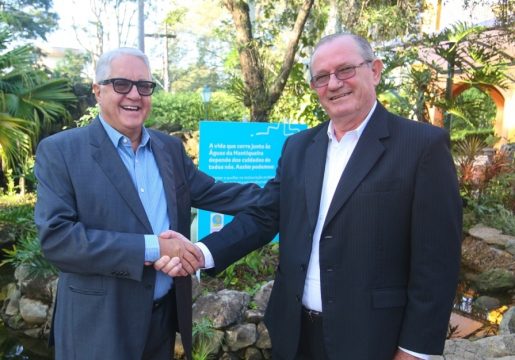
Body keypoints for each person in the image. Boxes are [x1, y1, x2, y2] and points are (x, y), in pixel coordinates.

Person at [165, 33, 463, 359]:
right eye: (321, 77)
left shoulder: (421, 147)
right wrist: (201, 252)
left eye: (345, 70)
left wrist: (415, 350)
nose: (333, 84)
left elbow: (437, 262)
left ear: (375, 71)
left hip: (373, 338)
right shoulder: (299, 148)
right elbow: (265, 215)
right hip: (295, 334)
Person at [34, 47, 262, 360]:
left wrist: (293, 190)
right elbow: (58, 240)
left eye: (144, 86)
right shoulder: (61, 152)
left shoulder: (168, 148)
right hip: (97, 328)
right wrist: (155, 248)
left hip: (161, 322)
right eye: (121, 84)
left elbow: (219, 193)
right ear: (97, 91)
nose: (135, 95)